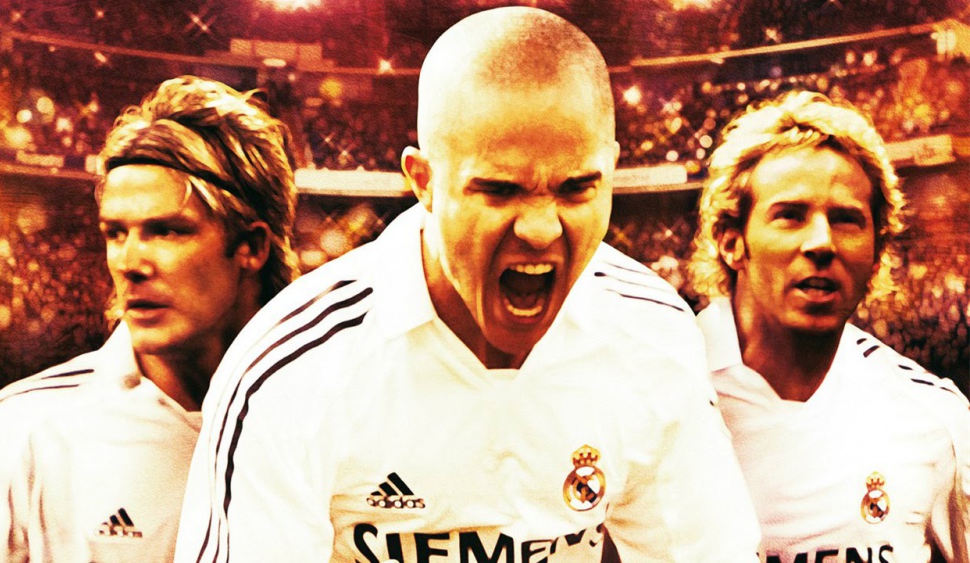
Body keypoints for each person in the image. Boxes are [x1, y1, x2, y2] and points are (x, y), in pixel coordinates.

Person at [175, 7, 760, 562]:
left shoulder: (650, 333)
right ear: (423, 181)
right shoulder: (291, 370)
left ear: (611, 169)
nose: (540, 229)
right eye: (499, 190)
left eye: (577, 188)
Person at [0, 75, 299, 562]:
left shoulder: (333, 417)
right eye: (116, 233)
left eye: (165, 231)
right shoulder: (22, 436)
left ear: (251, 245)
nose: (129, 262)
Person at [689, 90, 970, 562]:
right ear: (732, 240)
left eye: (846, 220)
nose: (821, 243)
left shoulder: (933, 418)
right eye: (790, 216)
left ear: (877, 252)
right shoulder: (659, 394)